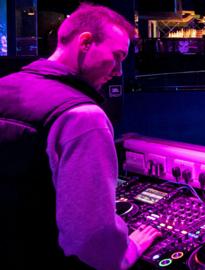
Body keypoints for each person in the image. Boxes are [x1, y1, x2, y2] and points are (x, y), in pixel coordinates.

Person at [0, 3, 161, 269]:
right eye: (117, 56)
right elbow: (91, 237)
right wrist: (128, 250)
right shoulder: (83, 116)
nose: (119, 71)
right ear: (85, 43)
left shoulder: (5, 86)